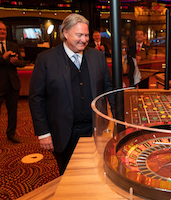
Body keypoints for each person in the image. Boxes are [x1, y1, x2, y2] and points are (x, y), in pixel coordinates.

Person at [29, 14, 114, 175]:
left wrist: (120, 123)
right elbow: (36, 98)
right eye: (79, 35)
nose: (84, 39)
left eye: (86, 35)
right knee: (67, 175)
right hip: (62, 132)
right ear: (65, 33)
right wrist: (43, 133)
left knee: (94, 172)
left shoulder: (97, 57)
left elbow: (109, 89)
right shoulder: (45, 59)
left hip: (94, 131)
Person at [0, 21, 25, 143]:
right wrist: (3, 58)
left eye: (4, 30)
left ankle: (11, 134)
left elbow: (22, 63)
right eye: (0, 29)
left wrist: (16, 61)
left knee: (13, 111)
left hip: (13, 85)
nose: (2, 32)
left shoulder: (13, 46)